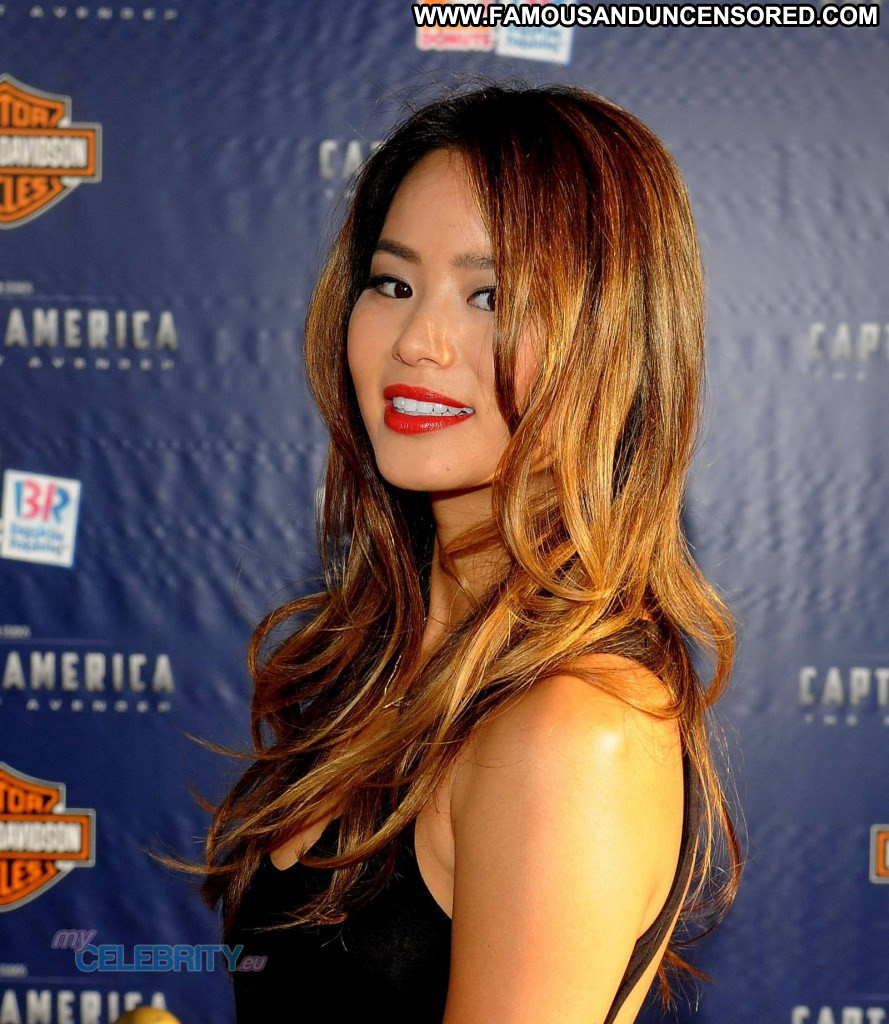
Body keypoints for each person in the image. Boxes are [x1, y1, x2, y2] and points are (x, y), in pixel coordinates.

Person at [194, 82, 741, 1023]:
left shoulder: (567, 731)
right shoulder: (395, 660)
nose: (419, 341)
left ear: (610, 343)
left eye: (492, 296)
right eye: (392, 284)